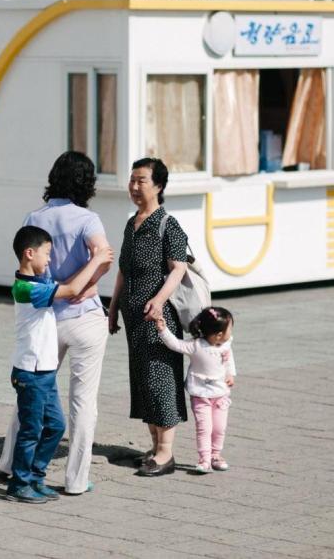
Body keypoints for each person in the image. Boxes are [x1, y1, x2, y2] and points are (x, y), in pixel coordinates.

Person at [0, 152, 113, 495]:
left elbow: (28, 258)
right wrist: (87, 284)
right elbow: (103, 256)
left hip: (48, 321)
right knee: (83, 401)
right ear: (88, 183)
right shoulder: (88, 219)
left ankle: (8, 463)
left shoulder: (35, 217)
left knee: (31, 399)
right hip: (84, 316)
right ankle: (76, 479)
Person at [108, 157, 189, 477]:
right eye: (132, 180)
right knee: (142, 377)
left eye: (141, 180)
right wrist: (113, 307)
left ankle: (167, 453)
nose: (134, 186)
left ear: (159, 186)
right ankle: (155, 445)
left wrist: (157, 301)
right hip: (133, 316)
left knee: (160, 378)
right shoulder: (132, 223)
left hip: (159, 318)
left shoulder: (168, 224)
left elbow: (178, 268)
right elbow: (123, 271)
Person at [155, 307, 236, 474]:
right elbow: (175, 344)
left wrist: (230, 374)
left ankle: (216, 455)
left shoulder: (226, 345)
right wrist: (163, 330)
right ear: (218, 334)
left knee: (220, 428)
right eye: (230, 328)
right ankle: (204, 459)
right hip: (201, 396)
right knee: (204, 428)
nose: (231, 332)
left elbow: (230, 362)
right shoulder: (196, 345)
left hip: (221, 396)